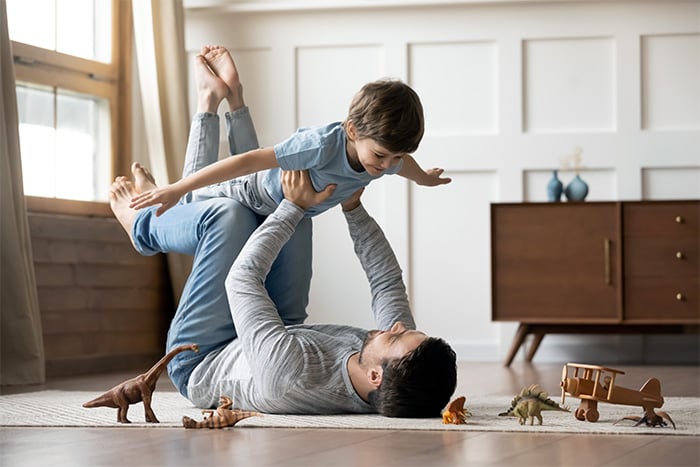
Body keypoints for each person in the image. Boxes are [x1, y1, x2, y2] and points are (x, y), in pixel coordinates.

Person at [109, 166, 457, 418]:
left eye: (396, 337)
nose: (395, 327)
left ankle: (141, 224)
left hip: (204, 355)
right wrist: (352, 207)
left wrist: (294, 207)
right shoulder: (394, 362)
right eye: (405, 329)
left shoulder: (291, 376)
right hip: (281, 330)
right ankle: (176, 188)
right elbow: (385, 280)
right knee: (295, 208)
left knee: (230, 217)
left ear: (376, 377)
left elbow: (241, 280)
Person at [129, 45, 452, 219]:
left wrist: (424, 177)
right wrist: (177, 188)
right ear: (352, 130)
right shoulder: (321, 146)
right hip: (250, 191)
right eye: (381, 155)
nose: (386, 165)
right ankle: (208, 100)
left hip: (271, 196)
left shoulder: (387, 156)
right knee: (187, 203)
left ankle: (233, 92)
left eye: (395, 156)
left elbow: (402, 166)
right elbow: (248, 162)